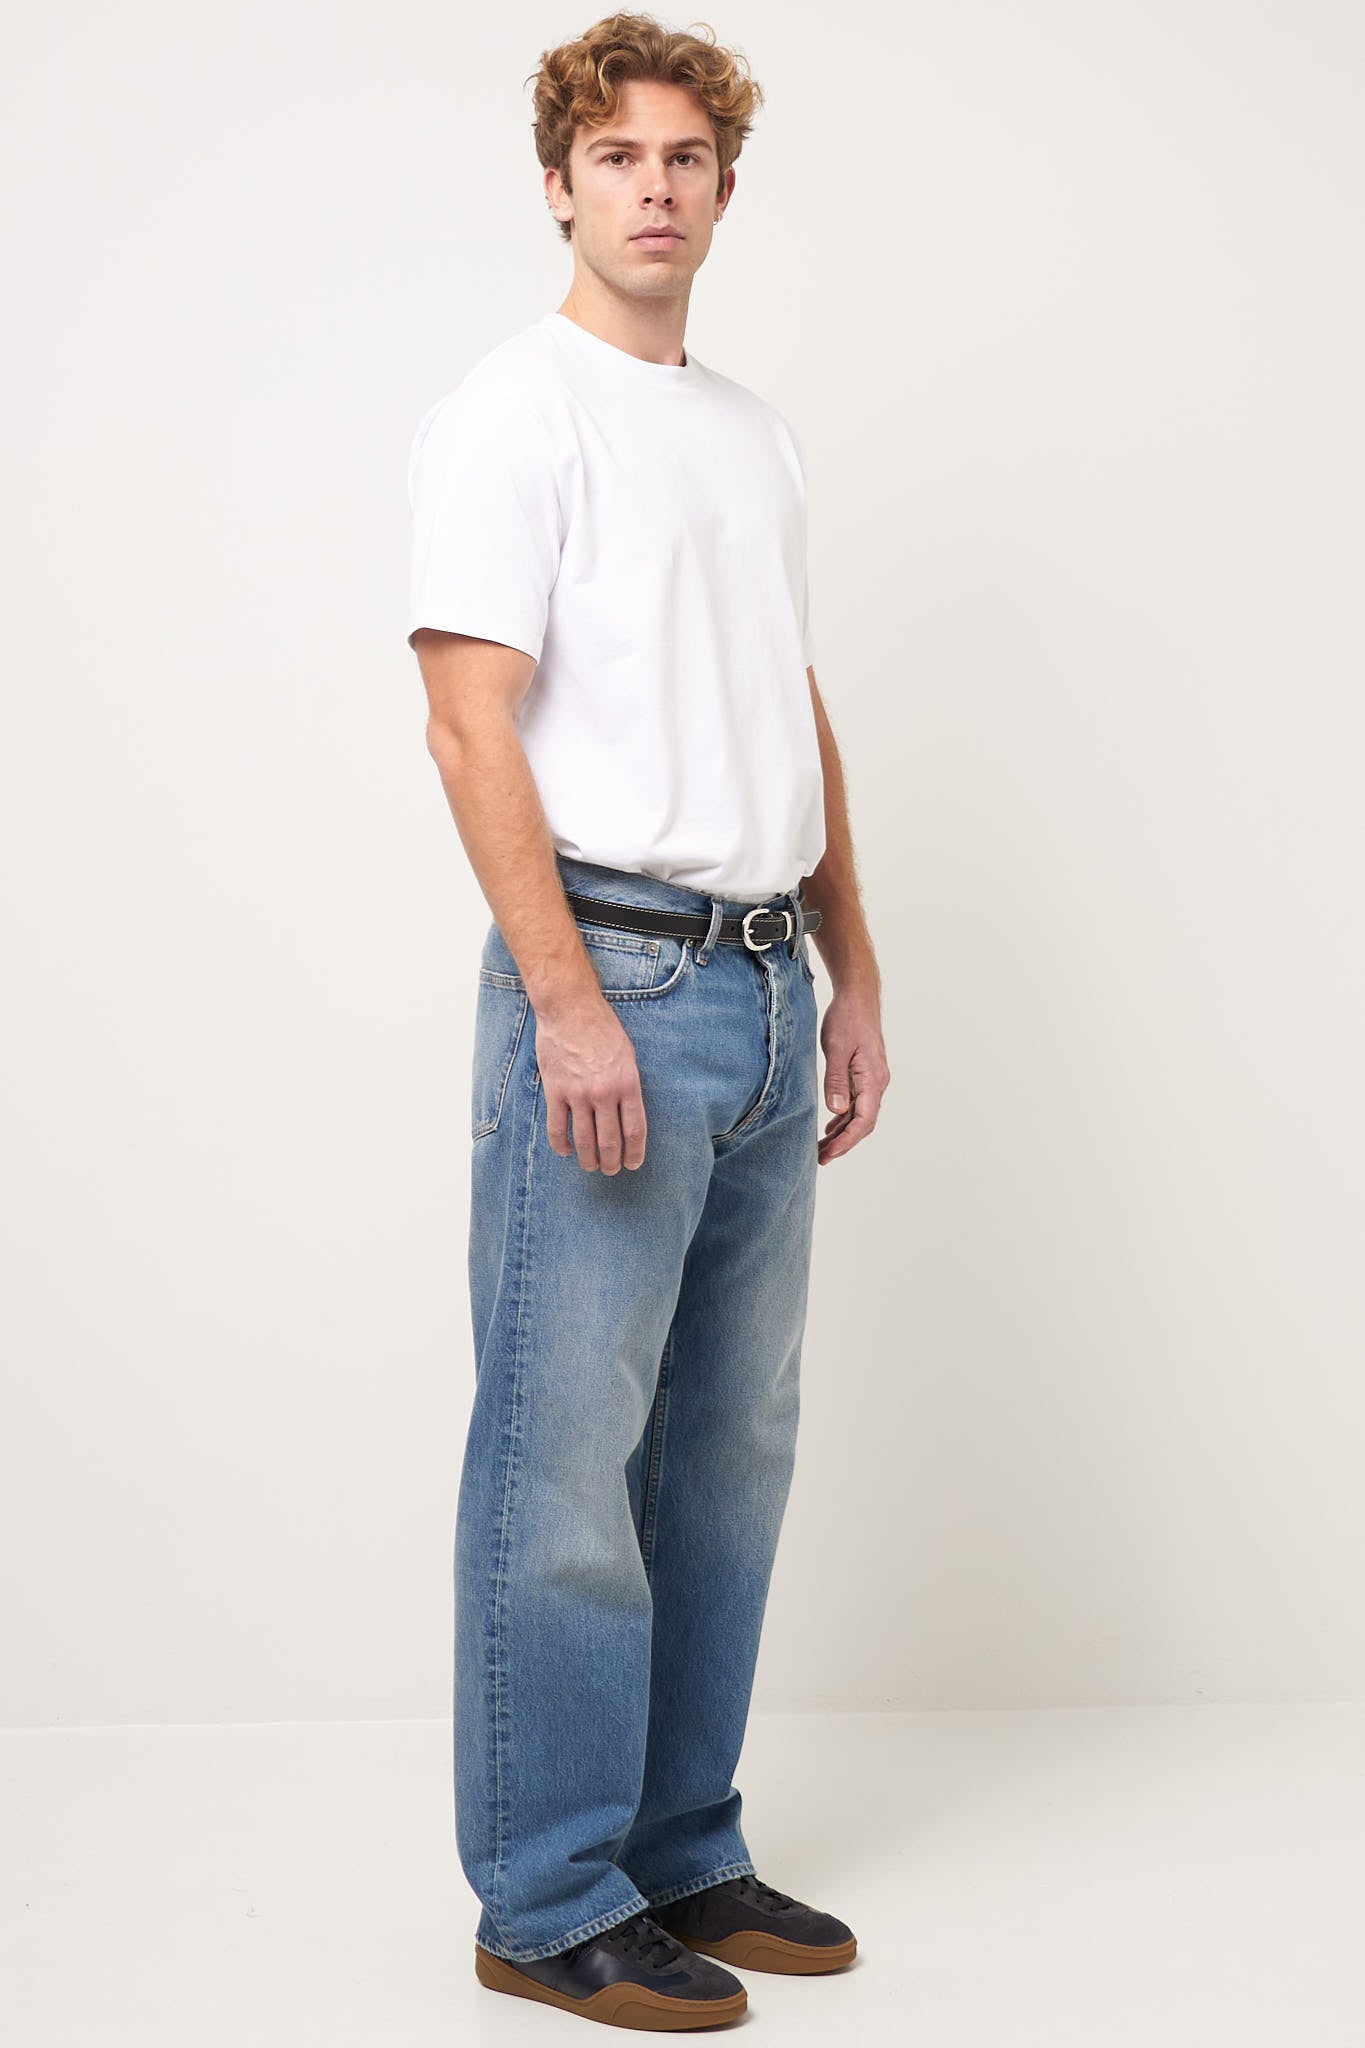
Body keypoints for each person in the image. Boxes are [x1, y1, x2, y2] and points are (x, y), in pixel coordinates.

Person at [406, 12, 889, 2031]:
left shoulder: (751, 432)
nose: (657, 186)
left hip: (763, 984)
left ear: (723, 187)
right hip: (610, 977)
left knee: (726, 1454)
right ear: (558, 184)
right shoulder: (508, 415)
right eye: (618, 156)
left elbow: (786, 701)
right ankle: (545, 1895)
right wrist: (562, 1000)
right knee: (561, 1459)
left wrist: (853, 967)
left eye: (687, 156)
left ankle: (681, 1844)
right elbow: (468, 717)